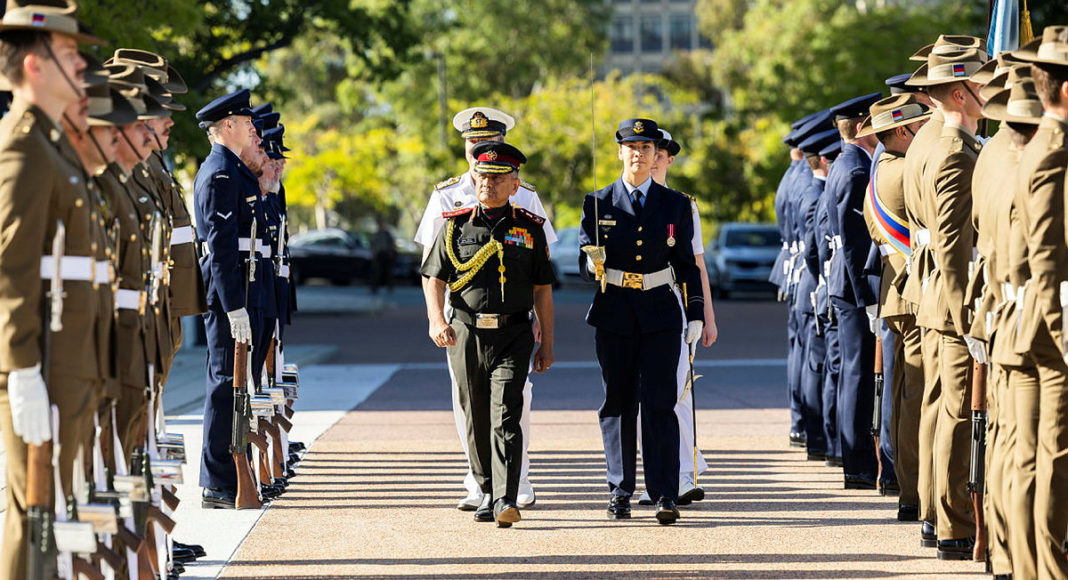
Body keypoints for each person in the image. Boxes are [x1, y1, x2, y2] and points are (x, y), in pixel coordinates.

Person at [0, 2, 104, 575]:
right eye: (69, 54)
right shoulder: (23, 145)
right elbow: (10, 266)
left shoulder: (53, 146)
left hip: (67, 359)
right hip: (40, 362)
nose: (82, 64)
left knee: (53, 514)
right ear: (36, 66)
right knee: (31, 520)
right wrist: (21, 371)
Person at [414, 106, 556, 511]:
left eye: (488, 141)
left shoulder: (524, 195)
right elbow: (432, 266)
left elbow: (540, 268)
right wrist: (436, 318)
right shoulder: (445, 195)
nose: (480, 150)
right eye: (473, 144)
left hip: (512, 319)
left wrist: (543, 328)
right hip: (462, 322)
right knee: (469, 403)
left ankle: (516, 480)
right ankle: (480, 483)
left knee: (514, 401)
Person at [579, 118, 703, 525]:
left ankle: (665, 492)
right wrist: (590, 261)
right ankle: (619, 491)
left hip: (660, 312)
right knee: (617, 402)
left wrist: (697, 313)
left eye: (646, 148)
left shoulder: (675, 204)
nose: (638, 154)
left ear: (655, 157)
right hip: (614, 310)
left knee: (659, 403)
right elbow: (585, 259)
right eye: (631, 147)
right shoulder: (598, 202)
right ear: (620, 152)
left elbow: (685, 264)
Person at [906, 46, 988, 560]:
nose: (992, 92)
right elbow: (955, 246)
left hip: (931, 292)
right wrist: (966, 321)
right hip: (951, 296)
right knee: (956, 412)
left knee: (939, 408)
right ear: (961, 92)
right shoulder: (955, 150)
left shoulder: (929, 141)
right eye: (984, 83)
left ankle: (935, 516)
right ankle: (955, 523)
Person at [855, 93, 932, 522]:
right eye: (920, 124)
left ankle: (907, 487)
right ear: (902, 130)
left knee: (905, 396)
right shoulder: (905, 171)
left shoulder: (880, 168)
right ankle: (917, 489)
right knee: (918, 397)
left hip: (894, 293)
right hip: (915, 291)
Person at [1010, 26, 1068, 577]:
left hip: (1040, 321)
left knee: (1041, 452)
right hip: (1056, 328)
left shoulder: (1045, 145)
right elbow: (1047, 254)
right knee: (1055, 457)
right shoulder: (1053, 150)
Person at [194, 88, 270, 509]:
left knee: (238, 385)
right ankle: (216, 480)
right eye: (246, 122)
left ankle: (228, 470)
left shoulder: (233, 169)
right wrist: (232, 304)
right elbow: (221, 248)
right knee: (225, 383)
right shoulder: (220, 172)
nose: (252, 128)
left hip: (245, 284)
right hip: (231, 290)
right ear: (227, 126)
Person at [634, 129, 718, 506]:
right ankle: (655, 474)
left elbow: (696, 265)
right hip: (634, 310)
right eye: (648, 152)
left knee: (679, 391)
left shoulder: (683, 205)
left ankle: (684, 472)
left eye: (660, 154)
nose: (653, 160)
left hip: (674, 307)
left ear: (669, 160)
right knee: (641, 395)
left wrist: (707, 317)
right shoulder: (622, 200)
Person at [825, 92, 882, 490]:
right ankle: (858, 464)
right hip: (852, 288)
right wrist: (868, 298)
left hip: (847, 285)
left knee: (855, 372)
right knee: (858, 374)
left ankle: (857, 461)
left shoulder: (848, 163)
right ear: (862, 126)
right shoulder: (855, 170)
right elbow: (851, 242)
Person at [371, 215, 396, 294]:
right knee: (377, 272)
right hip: (379, 254)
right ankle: (375, 288)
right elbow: (373, 244)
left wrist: (391, 252)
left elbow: (391, 244)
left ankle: (389, 287)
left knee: (388, 272)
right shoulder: (377, 234)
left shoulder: (387, 234)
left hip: (386, 254)